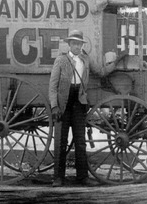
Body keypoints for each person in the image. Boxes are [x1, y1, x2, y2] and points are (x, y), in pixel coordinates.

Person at [49, 29, 118, 187]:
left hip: (79, 102)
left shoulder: (85, 59)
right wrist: (54, 107)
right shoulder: (61, 60)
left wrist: (115, 63)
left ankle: (83, 177)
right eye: (74, 44)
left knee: (80, 141)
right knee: (61, 141)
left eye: (79, 44)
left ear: (81, 45)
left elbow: (100, 72)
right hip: (63, 103)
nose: (77, 46)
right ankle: (58, 178)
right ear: (69, 45)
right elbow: (53, 86)